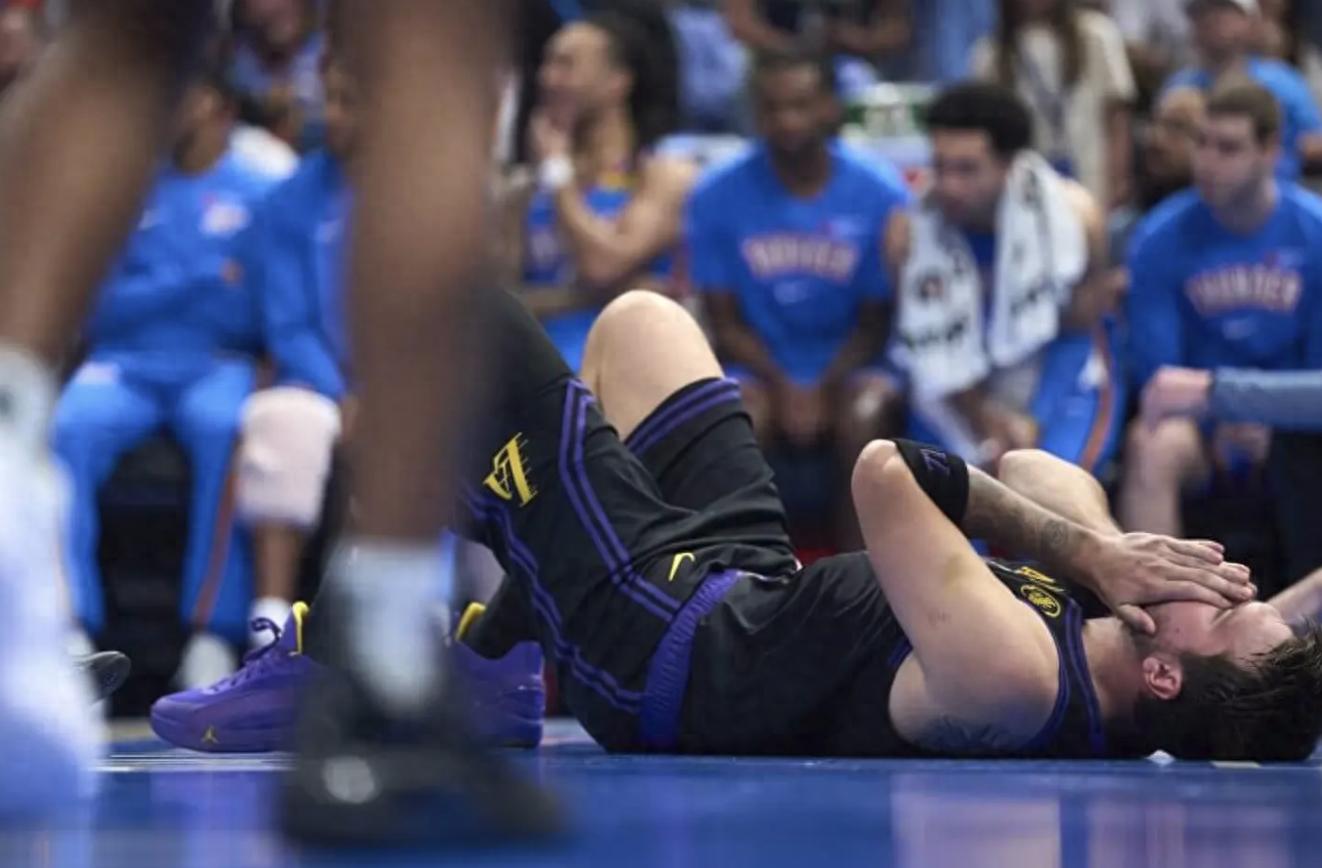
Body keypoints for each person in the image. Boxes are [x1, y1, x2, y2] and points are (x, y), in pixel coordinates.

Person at [147, 285, 1322, 762]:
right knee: (640, 321)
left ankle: (353, 655)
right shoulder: (1113, 620)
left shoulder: (1018, 676)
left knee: (447, 311)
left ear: (1164, 676)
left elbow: (886, 474)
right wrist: (1109, 553)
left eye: (1230, 609)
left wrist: (1086, 550)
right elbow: (1032, 467)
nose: (1225, 573)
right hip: (737, 584)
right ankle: (497, 665)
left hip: (657, 648)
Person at [0, 0, 555, 843]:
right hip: (214, 373)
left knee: (125, 34)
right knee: (424, 48)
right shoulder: (288, 196)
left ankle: (6, 588)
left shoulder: (257, 183)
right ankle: (392, 667)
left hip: (248, 376)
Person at [53, 59, 277, 689]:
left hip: (217, 364)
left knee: (226, 429)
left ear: (215, 105)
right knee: (65, 426)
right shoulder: (128, 186)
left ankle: (210, 634)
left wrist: (155, 288)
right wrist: (198, 278)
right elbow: (96, 304)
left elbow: (251, 308)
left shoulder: (261, 189)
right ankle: (71, 630)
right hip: (123, 363)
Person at [689, 49, 908, 548]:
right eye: (773, 107)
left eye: (802, 104)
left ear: (830, 106)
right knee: (740, 410)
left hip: (852, 360)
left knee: (865, 413)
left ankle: (866, 583)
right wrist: (786, 384)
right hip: (757, 364)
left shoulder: (880, 191)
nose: (788, 120)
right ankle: (748, 577)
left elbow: (876, 321)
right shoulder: (715, 193)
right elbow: (724, 321)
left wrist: (823, 385)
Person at [1120, 81, 1322, 540]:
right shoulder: (1158, 238)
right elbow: (1160, 377)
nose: (1207, 162)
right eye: (1202, 143)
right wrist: (1216, 419)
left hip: (1296, 423)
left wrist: (1272, 422)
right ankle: (1152, 605)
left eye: (1228, 148)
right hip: (1198, 423)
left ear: (1270, 150)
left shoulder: (1315, 233)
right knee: (1151, 443)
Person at [892, 83, 1125, 475]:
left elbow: (1078, 333)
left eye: (967, 169)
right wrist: (982, 419)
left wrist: (1035, 418)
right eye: (940, 166)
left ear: (1008, 164)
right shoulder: (905, 235)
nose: (948, 185)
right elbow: (927, 346)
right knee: (950, 503)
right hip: (958, 386)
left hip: (1053, 372)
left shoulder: (1076, 218)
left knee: (1055, 494)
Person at [501, 5, 693, 371]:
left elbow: (602, 265)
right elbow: (502, 304)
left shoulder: (661, 175)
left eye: (566, 65)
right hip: (536, 375)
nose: (547, 78)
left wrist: (558, 174)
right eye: (546, 64)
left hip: (629, 373)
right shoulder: (524, 188)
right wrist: (596, 296)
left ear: (617, 82)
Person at [973, 0, 1137, 208]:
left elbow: (1117, 117)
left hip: (1093, 178)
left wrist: (1119, 180)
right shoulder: (990, 53)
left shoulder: (1098, 34)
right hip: (1027, 191)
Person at [1163, 0, 1322, 180]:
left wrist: (1278, 155)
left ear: (1250, 21)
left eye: (1223, 10)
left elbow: (1316, 143)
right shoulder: (1177, 86)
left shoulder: (1282, 81)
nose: (1210, 19)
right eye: (1200, 12)